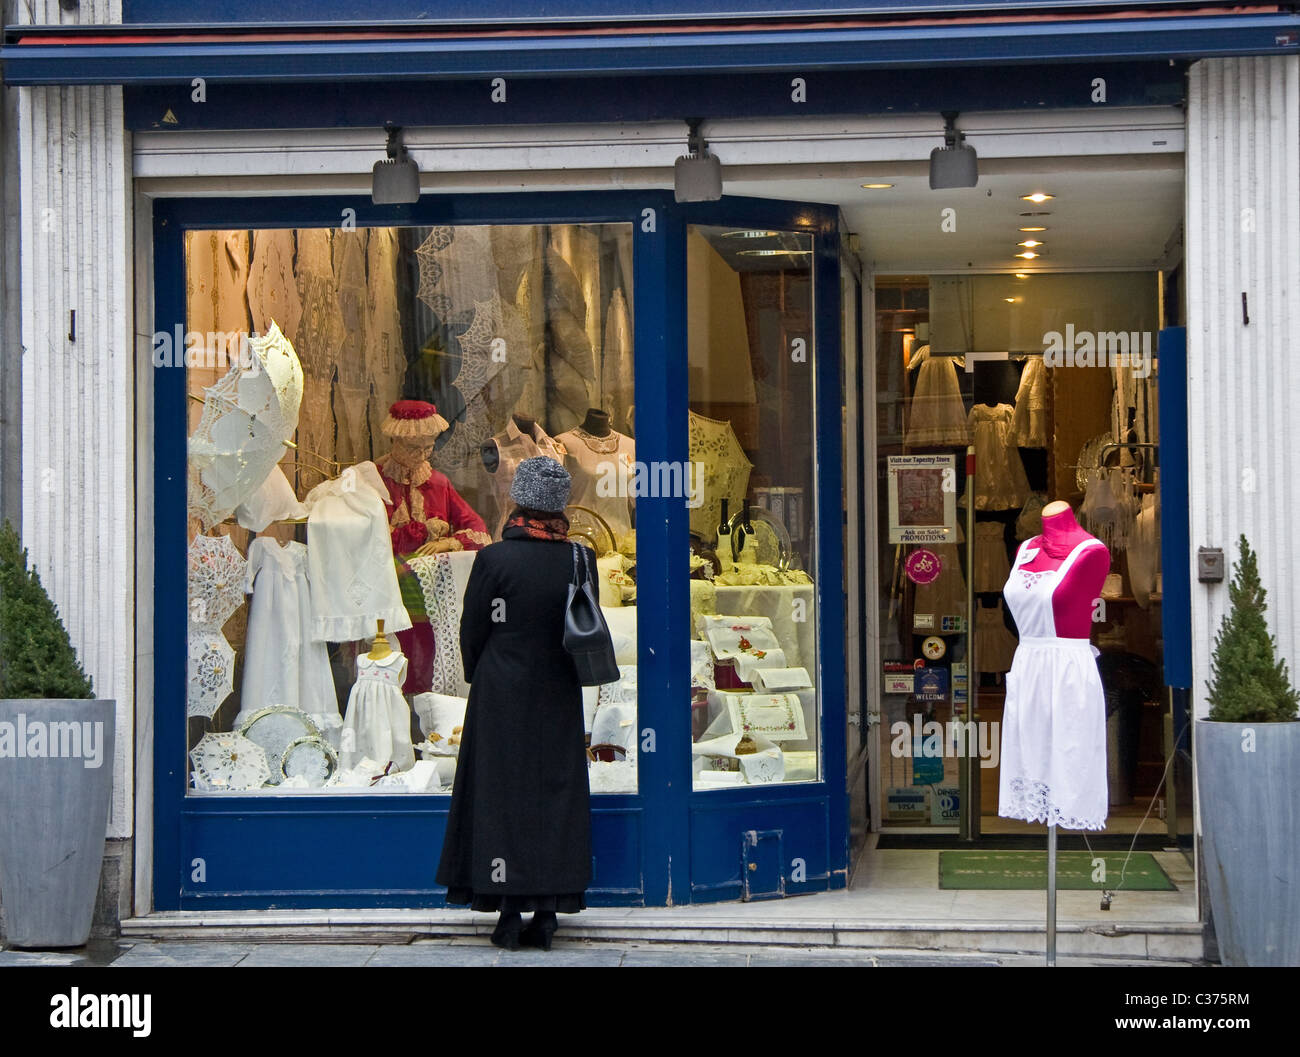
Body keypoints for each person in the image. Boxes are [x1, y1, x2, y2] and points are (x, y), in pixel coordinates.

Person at [435, 456, 597, 951]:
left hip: (502, 689)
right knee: (554, 792)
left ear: (517, 501)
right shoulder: (578, 557)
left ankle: (506, 910)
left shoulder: (494, 559)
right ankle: (546, 912)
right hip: (558, 688)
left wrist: (480, 671)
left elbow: (473, 629)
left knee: (501, 792)